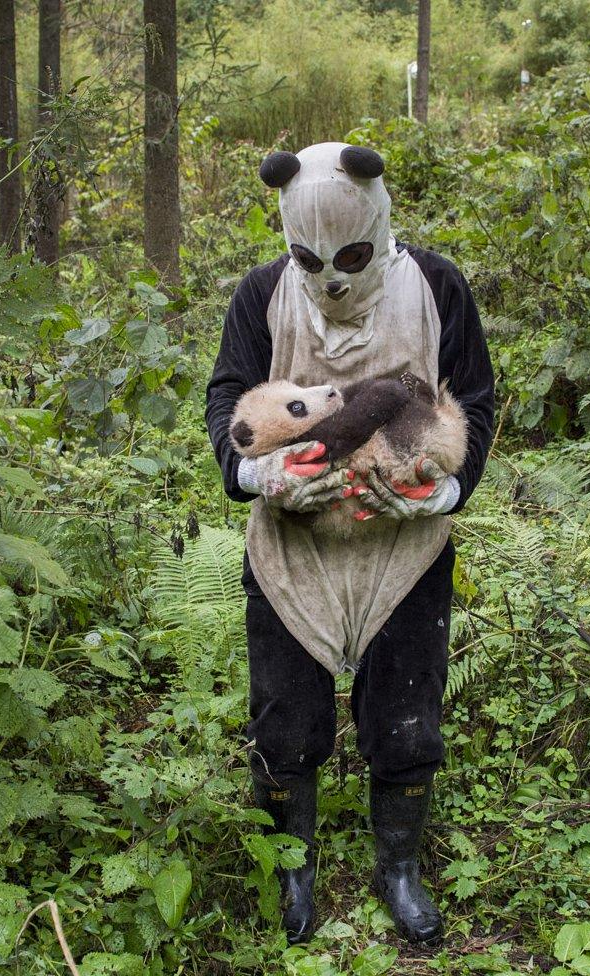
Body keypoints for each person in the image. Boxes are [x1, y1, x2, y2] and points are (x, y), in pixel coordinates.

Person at [205, 142, 494, 945]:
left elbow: (474, 395)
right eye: (310, 258)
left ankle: (397, 866)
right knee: (284, 723)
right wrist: (257, 476)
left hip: (405, 552)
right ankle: (294, 867)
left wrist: (446, 490)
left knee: (408, 723)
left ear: (378, 220)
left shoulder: (437, 287)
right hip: (292, 548)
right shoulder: (262, 294)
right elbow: (228, 396)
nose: (330, 278)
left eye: (351, 256)